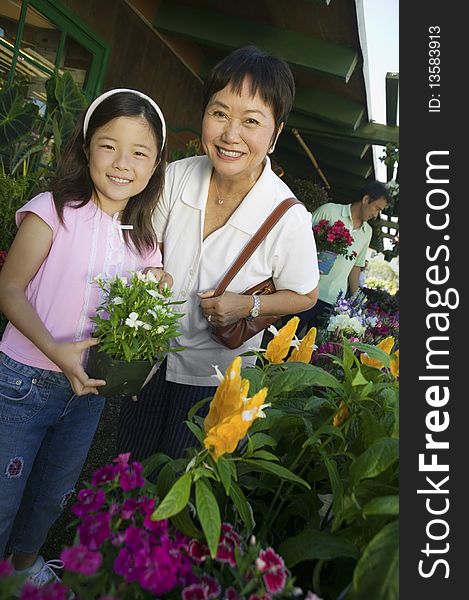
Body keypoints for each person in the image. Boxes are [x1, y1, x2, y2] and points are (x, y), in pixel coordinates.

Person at [117, 45, 320, 462]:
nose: (231, 135)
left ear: (276, 132)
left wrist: (249, 304)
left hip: (217, 380)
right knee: (127, 470)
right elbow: (143, 246)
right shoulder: (176, 176)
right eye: (220, 113)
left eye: (251, 121)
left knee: (185, 489)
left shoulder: (287, 216)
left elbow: (305, 295)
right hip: (150, 360)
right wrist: (150, 272)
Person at [0, 88, 169, 584]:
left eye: (140, 152)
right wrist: (53, 349)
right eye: (109, 145)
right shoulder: (52, 210)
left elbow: (145, 311)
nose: (123, 163)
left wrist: (156, 294)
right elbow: (8, 288)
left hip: (88, 392)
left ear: (155, 164)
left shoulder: (142, 239)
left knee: (53, 492)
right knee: (4, 493)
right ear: (86, 146)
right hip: (24, 380)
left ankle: (23, 568)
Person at [293, 181, 391, 333]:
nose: (376, 214)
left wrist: (356, 299)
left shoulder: (367, 232)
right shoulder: (329, 211)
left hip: (331, 300)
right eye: (377, 208)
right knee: (283, 339)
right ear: (366, 200)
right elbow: (298, 241)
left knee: (309, 349)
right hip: (303, 290)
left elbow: (356, 266)